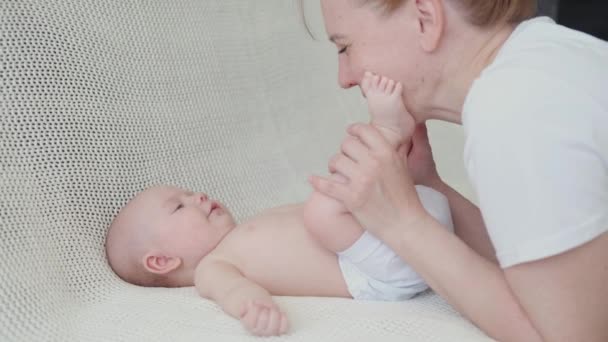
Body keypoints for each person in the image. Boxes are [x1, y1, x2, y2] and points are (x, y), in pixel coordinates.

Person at [309, 0, 608, 341]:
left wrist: (402, 223)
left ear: (425, 19)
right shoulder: (552, 54)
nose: (343, 79)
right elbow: (552, 275)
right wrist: (431, 187)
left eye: (345, 47)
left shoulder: (513, 110)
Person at [105, 78, 454, 337]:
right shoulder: (214, 266)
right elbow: (233, 291)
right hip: (377, 272)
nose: (196, 197)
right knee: (324, 206)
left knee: (340, 203)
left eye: (189, 192)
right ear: (163, 261)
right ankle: (388, 132)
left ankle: (397, 158)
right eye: (178, 207)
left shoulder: (245, 232)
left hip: (402, 233)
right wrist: (254, 307)